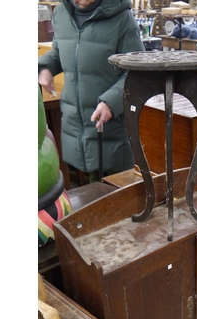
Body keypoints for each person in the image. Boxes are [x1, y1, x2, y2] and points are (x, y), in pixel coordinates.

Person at [38, 0, 144, 182]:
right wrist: (46, 67)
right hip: (73, 128)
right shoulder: (62, 13)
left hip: (109, 129)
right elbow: (60, 51)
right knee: (81, 195)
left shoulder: (122, 19)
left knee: (114, 194)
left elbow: (137, 71)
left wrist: (110, 103)